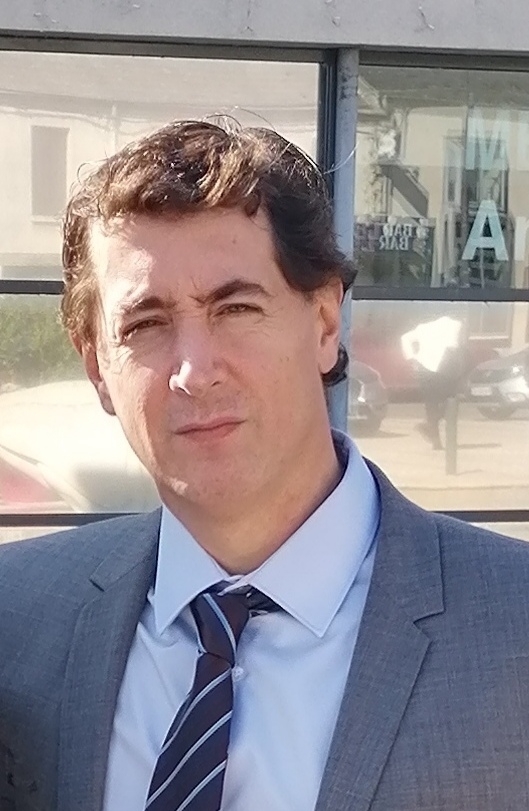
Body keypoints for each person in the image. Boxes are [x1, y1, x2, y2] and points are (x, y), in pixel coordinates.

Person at [1, 120, 529, 811]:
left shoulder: (511, 627)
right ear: (98, 366)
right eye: (146, 324)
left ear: (324, 322)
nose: (195, 371)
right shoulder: (18, 616)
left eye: (236, 308)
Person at [401, 314, 465, 449]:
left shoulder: (423, 327)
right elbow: (453, 347)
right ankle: (434, 430)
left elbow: (405, 338)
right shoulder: (457, 325)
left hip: (424, 368)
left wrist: (412, 358)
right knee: (450, 402)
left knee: (431, 404)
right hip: (444, 368)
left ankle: (435, 441)